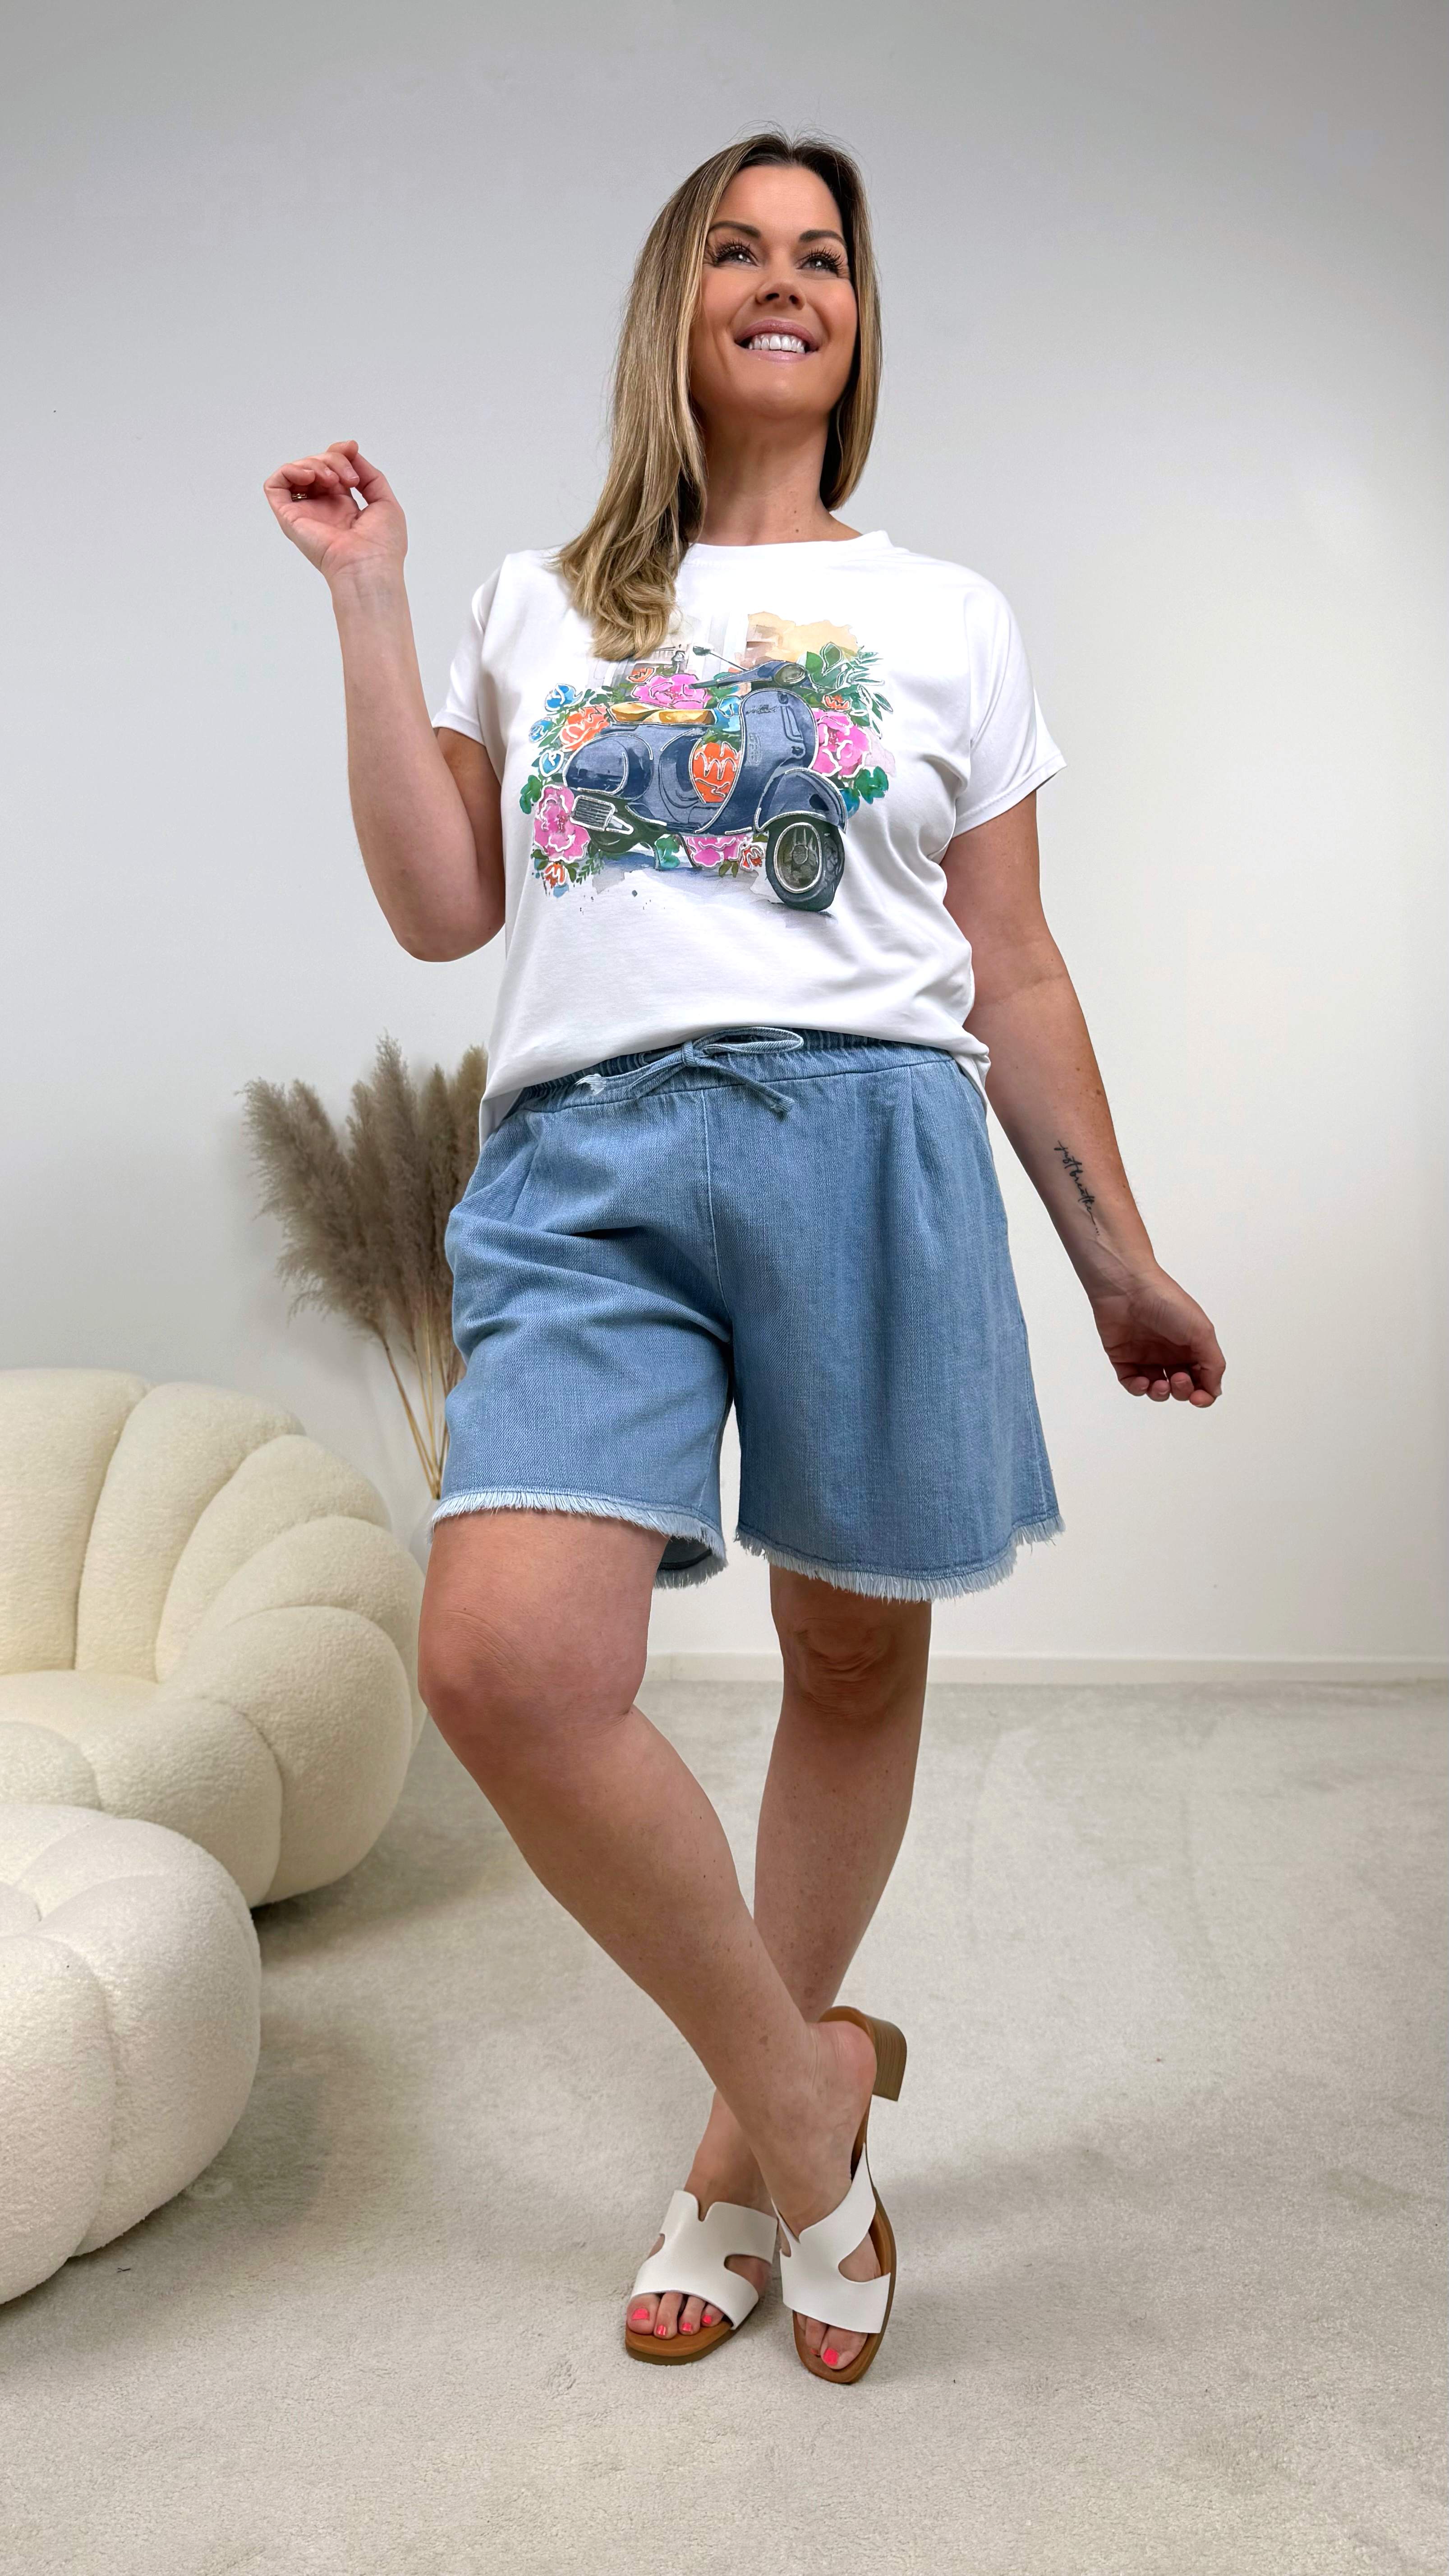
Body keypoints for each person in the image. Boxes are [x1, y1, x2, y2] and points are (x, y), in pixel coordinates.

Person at [263, 129, 1225, 2383]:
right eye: (737, 248)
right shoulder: (540, 599)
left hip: (871, 1135)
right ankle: (812, 2099)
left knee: (851, 1656)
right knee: (507, 1664)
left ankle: (729, 2150)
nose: (786, 280)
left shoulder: (948, 615)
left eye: (824, 256)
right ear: (673, 304)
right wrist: (371, 599)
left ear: (857, 323)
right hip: (586, 1163)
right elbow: (442, 909)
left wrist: (1117, 1255)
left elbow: (1015, 963)